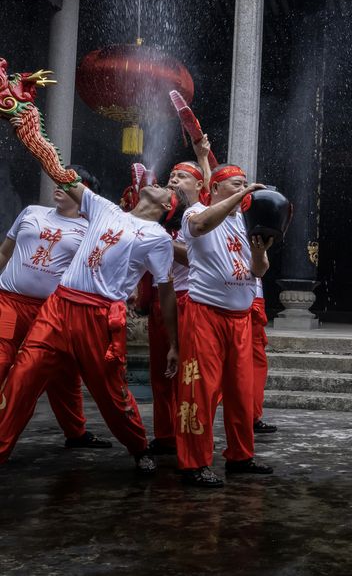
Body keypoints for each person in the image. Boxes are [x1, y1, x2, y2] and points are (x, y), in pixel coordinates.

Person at [0, 172, 185, 473]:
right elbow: (64, 177)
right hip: (59, 305)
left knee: (111, 395)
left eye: (165, 189)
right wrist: (41, 146)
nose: (159, 185)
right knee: (22, 375)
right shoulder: (104, 208)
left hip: (99, 316)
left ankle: (138, 445)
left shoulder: (159, 238)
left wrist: (173, 344)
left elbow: (166, 293)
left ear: (168, 205)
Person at [0, 167, 110, 450]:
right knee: (1, 360)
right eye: (59, 180)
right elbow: (4, 252)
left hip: (53, 311)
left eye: (69, 182)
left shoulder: (91, 231)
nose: (59, 185)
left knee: (64, 372)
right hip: (9, 302)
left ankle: (76, 433)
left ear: (84, 193)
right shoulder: (31, 212)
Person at [176, 164, 272, 487]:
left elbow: (259, 271)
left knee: (241, 392)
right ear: (215, 188)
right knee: (200, 390)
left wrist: (259, 253)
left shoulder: (246, 222)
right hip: (205, 314)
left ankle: (241, 456)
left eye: (245, 184)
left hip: (240, 318)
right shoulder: (195, 213)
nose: (244, 189)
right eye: (236, 184)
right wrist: (243, 196)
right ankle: (194, 463)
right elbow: (202, 226)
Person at [143, 136, 213, 456]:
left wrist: (203, 158)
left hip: (189, 300)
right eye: (171, 175)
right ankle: (165, 435)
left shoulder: (200, 215)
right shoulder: (159, 214)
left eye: (181, 176)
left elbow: (194, 258)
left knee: (190, 374)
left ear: (198, 186)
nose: (173, 179)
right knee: (160, 373)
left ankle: (192, 434)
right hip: (162, 300)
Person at [250, 277, 276, 434]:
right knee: (255, 365)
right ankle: (251, 416)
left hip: (249, 301)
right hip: (248, 303)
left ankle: (252, 415)